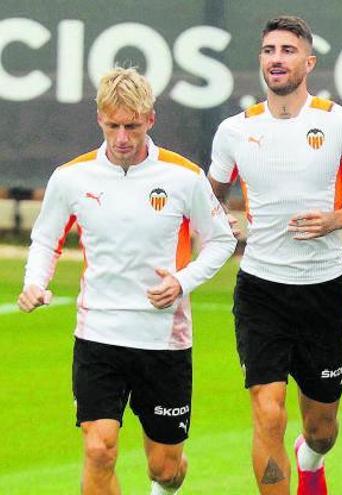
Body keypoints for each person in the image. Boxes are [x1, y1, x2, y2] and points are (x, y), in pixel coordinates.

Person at [17, 67, 236, 495]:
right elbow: (46, 239)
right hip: (98, 334)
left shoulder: (183, 177)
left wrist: (182, 281)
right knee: (100, 450)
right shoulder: (71, 177)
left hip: (164, 341)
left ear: (150, 120)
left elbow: (221, 240)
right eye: (113, 125)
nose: (122, 137)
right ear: (99, 118)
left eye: (132, 126)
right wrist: (34, 281)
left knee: (165, 468)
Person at [207, 15, 342, 495]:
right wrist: (220, 221)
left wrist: (333, 219)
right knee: (267, 412)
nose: (276, 59)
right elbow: (207, 197)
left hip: (323, 289)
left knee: (322, 426)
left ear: (309, 61)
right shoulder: (235, 131)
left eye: (287, 50)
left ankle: (312, 459)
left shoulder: (341, 123)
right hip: (261, 288)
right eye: (268, 50)